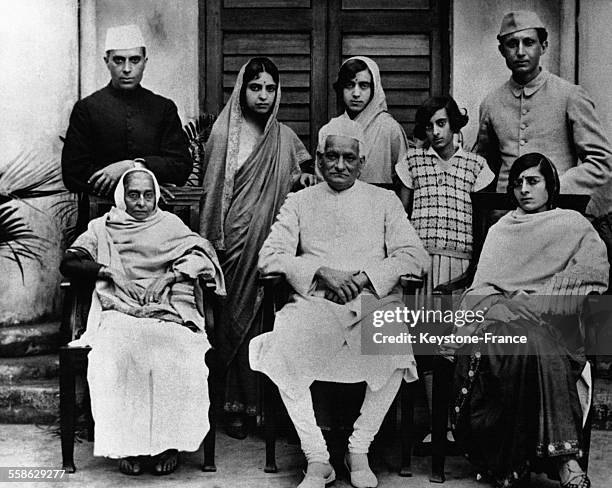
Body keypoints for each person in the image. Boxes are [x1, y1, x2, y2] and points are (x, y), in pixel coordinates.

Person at [250, 117, 429, 488]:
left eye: (350, 158)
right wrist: (319, 271)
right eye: (332, 157)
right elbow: (269, 257)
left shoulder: (384, 200)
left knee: (394, 344)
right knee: (283, 344)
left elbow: (415, 257)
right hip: (315, 303)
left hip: (369, 302)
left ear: (362, 162)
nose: (340, 166)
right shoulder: (299, 201)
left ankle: (358, 447)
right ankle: (317, 457)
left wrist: (365, 277)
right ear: (318, 158)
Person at [444, 153, 608, 488]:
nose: (523, 189)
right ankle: (565, 459)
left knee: (536, 339)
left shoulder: (573, 225)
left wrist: (543, 301)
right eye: (517, 183)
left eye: (533, 181)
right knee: (523, 339)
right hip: (501, 317)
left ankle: (515, 461)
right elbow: (482, 286)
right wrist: (501, 308)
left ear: (551, 185)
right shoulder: (501, 228)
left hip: (553, 316)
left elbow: (593, 272)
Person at [59, 168, 225, 476]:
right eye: (133, 195)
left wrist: (171, 277)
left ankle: (169, 446)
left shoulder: (170, 224)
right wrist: (110, 272)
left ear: (156, 196)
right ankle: (128, 446)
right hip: (119, 309)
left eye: (148, 195)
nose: (141, 202)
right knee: (117, 354)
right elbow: (69, 262)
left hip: (168, 309)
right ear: (122, 196)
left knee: (177, 356)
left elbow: (204, 254)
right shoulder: (103, 227)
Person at [199, 57, 315, 438]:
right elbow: (214, 193)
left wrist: (305, 178)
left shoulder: (284, 137)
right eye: (256, 87)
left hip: (273, 243)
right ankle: (232, 407)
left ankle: (265, 408)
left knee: (267, 322)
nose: (263, 95)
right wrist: (212, 242)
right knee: (234, 320)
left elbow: (303, 174)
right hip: (233, 243)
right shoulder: (224, 133)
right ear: (242, 90)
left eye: (270, 88)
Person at [396, 95, 494, 452]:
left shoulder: (475, 166)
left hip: (459, 268)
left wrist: (475, 271)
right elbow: (400, 216)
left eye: (442, 124)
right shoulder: (413, 161)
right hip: (421, 266)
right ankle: (432, 424)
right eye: (429, 126)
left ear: (454, 125)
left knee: (452, 345)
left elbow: (483, 225)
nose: (435, 132)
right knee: (421, 344)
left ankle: (453, 424)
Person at [475, 10, 612, 216]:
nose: (520, 52)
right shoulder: (491, 103)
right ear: (501, 50)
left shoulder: (570, 96)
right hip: (505, 220)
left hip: (557, 215)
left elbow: (602, 162)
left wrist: (556, 187)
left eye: (529, 42)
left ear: (544, 47)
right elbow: (484, 167)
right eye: (512, 44)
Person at [62, 24, 192, 197]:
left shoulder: (163, 108)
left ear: (145, 62)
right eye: (119, 60)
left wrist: (133, 166)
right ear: (106, 62)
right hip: (101, 215)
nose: (127, 69)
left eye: (135, 60)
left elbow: (180, 166)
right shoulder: (87, 108)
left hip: (153, 216)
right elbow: (73, 174)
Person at [330, 56, 409, 185]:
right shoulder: (333, 128)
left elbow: (405, 179)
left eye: (363, 86)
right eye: (349, 85)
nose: (356, 93)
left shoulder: (389, 128)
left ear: (374, 89)